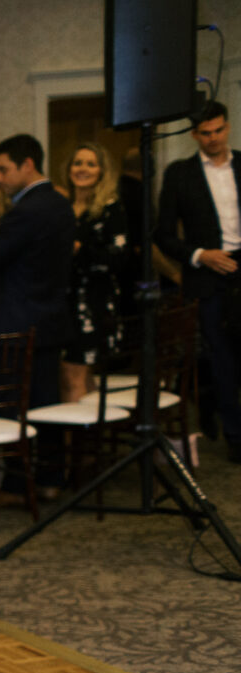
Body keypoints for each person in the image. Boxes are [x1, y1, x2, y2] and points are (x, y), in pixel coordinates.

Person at [0, 134, 76, 491]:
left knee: (12, 406)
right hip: (50, 319)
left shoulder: (25, 210)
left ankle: (14, 486)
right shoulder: (60, 204)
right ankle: (52, 478)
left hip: (15, 322)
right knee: (47, 406)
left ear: (28, 165)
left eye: (3, 170)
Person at [155, 101, 241, 460]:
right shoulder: (180, 174)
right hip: (206, 272)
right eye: (205, 133)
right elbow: (162, 233)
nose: (213, 138)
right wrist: (200, 255)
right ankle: (236, 438)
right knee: (220, 358)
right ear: (194, 135)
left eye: (218, 130)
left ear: (228, 128)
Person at [63, 143, 130, 403]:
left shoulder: (110, 208)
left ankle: (76, 442)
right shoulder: (63, 207)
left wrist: (81, 250)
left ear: (102, 171)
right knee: (74, 376)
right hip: (63, 302)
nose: (83, 169)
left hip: (92, 302)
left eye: (91, 164)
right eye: (77, 163)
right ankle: (91, 439)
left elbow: (119, 258)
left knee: (73, 375)